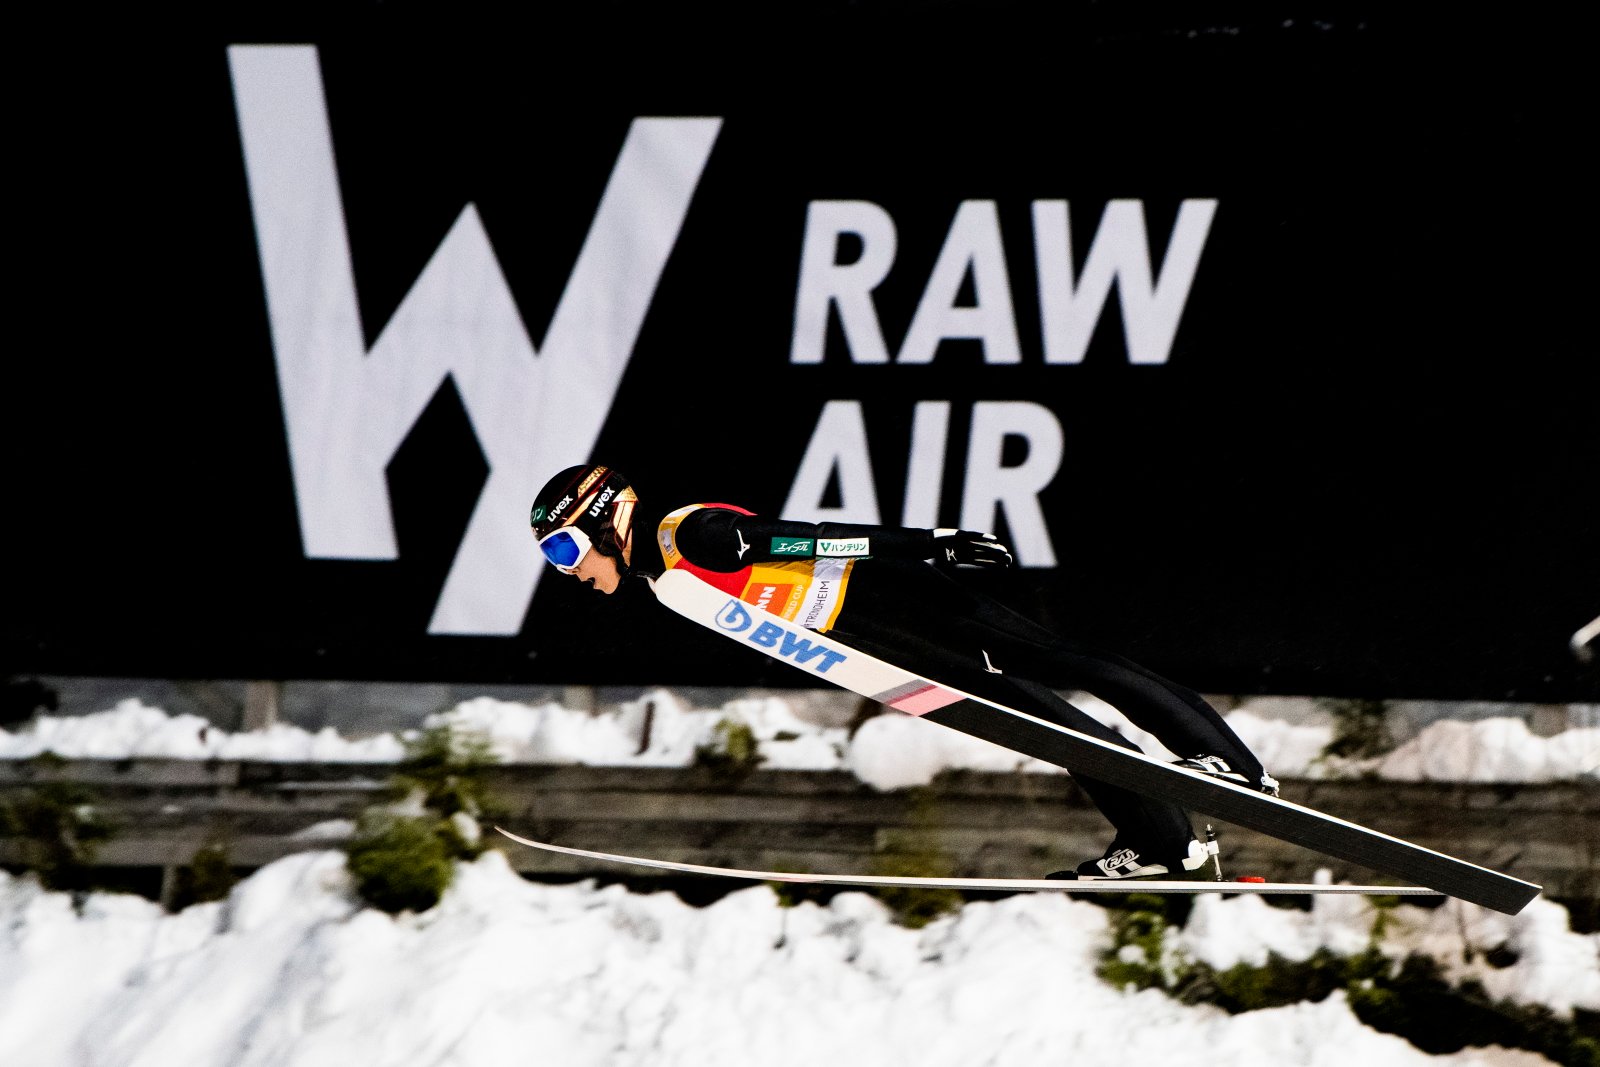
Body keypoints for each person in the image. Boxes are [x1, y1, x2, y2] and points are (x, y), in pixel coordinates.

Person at [528, 463, 1280, 881]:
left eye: (565, 551)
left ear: (602, 521)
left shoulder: (690, 537)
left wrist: (929, 544)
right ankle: (1165, 840)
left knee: (1061, 664)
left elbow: (814, 540)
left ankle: (1234, 767)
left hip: (902, 602)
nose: (569, 572)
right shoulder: (665, 576)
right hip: (879, 635)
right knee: (1046, 726)